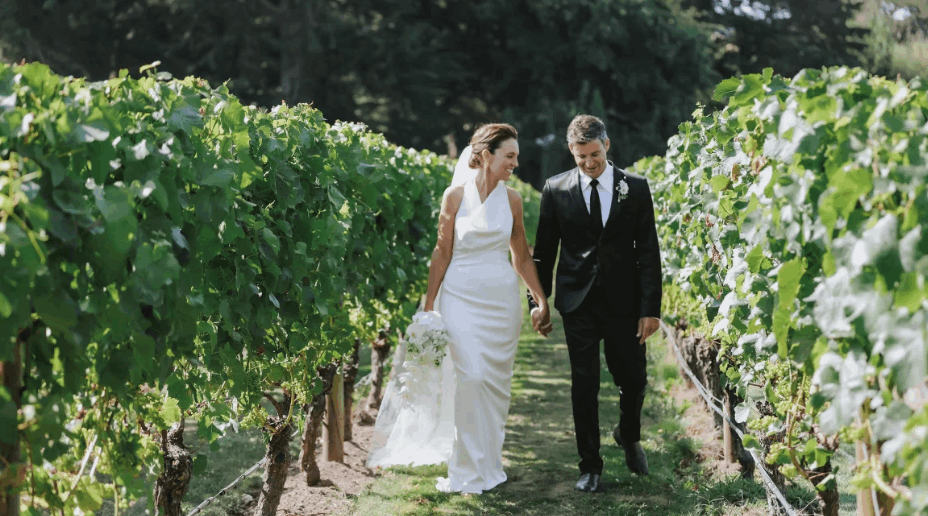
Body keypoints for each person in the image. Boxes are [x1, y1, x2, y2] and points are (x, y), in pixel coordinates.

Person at [367, 123, 550, 496]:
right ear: (486, 155)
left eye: (516, 156)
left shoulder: (513, 200)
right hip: (459, 298)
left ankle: (488, 465)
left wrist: (540, 299)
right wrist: (429, 307)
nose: (515, 163)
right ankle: (465, 471)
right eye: (509, 156)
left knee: (494, 389)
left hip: (501, 303)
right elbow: (442, 252)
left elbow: (521, 255)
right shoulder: (454, 197)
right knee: (472, 379)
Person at [529, 114, 662, 493]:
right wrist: (538, 302)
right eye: (581, 156)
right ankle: (590, 466)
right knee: (584, 385)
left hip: (625, 303)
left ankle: (628, 434)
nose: (589, 163)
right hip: (578, 303)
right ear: (571, 151)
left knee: (633, 379)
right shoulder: (556, 189)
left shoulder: (635, 188)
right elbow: (544, 253)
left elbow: (648, 251)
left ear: (607, 145)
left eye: (595, 155)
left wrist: (650, 309)